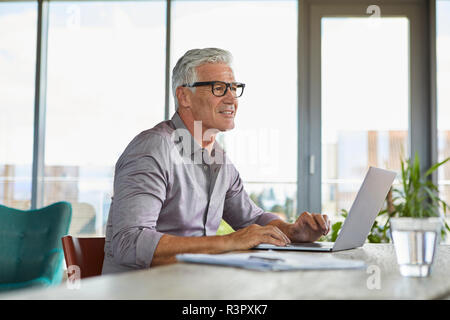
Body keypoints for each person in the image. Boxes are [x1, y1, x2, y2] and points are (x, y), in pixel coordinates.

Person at [101, 48, 330, 274]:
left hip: (194, 286)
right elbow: (129, 243)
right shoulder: (153, 149)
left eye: (233, 88)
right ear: (184, 96)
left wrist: (292, 231)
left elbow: (252, 218)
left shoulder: (218, 158)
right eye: (218, 88)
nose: (231, 98)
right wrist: (229, 242)